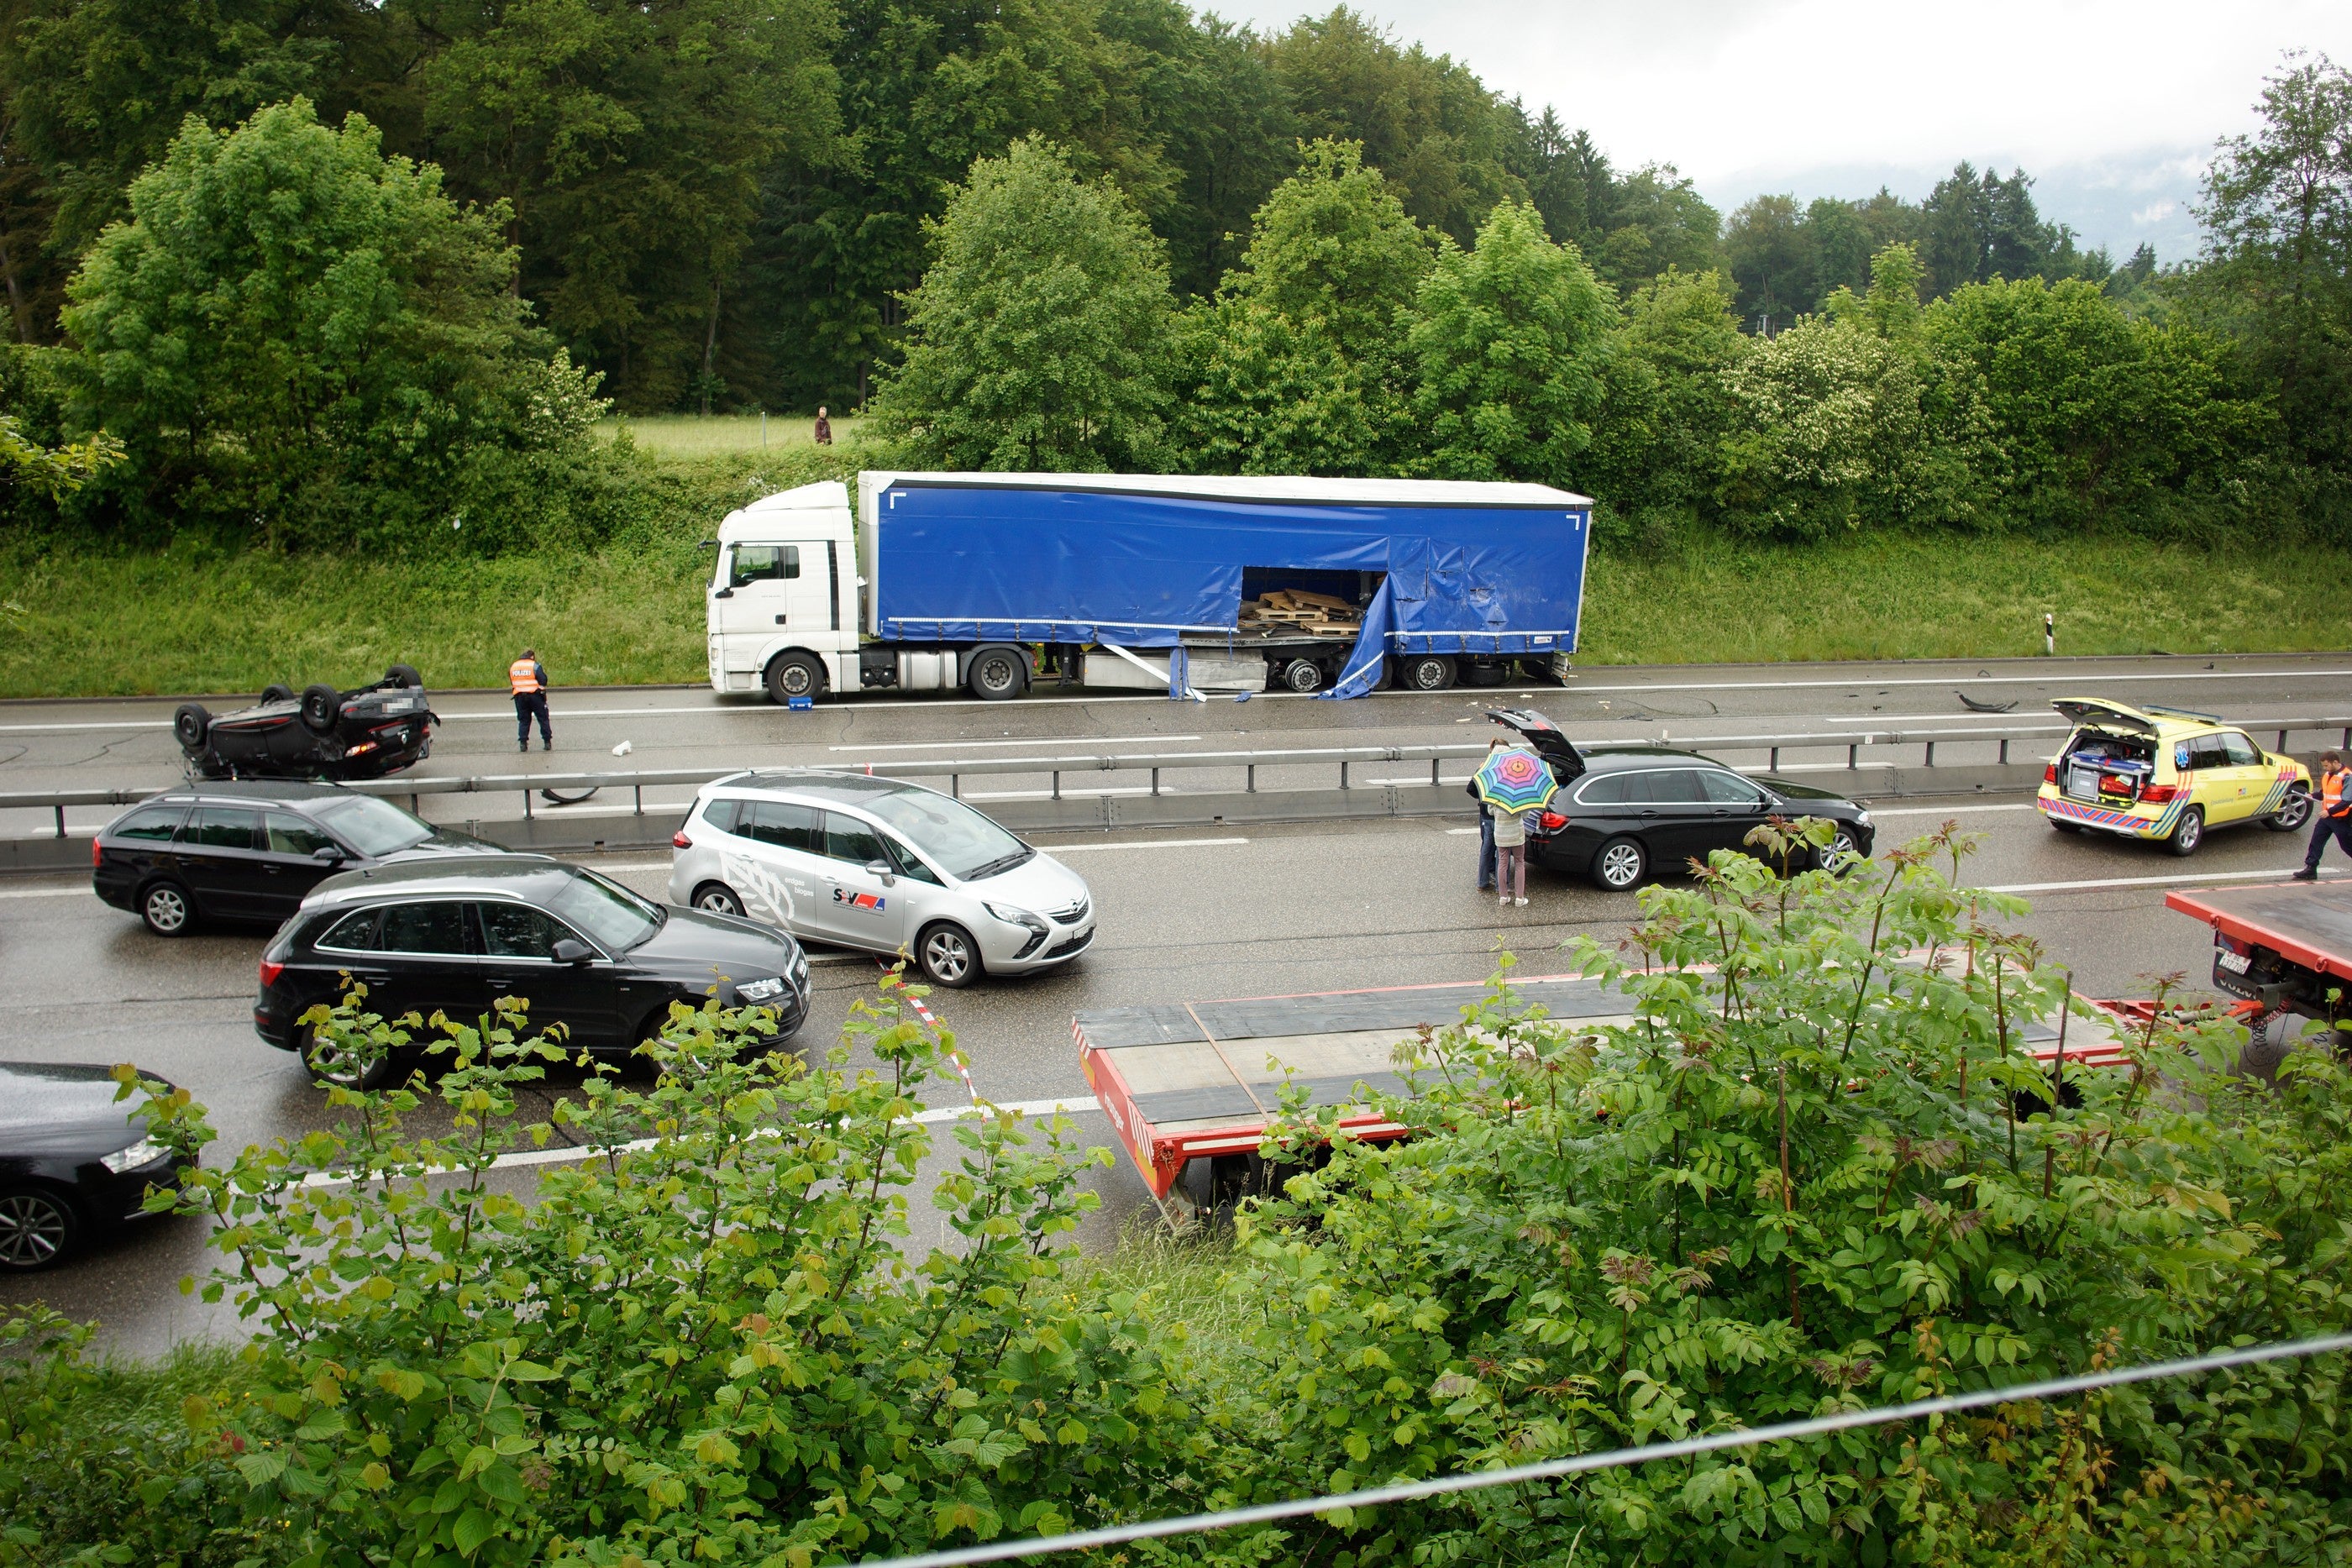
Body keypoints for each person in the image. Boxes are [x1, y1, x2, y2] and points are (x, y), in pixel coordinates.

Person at [2293, 750, 2351, 879]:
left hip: (2341, 818)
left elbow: (2347, 800)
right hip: (2327, 818)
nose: (2325, 768)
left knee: (2347, 846)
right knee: (2316, 841)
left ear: (2335, 762)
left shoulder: (2347, 776)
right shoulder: (2327, 775)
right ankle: (2311, 869)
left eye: (2326, 765)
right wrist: (2311, 796)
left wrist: (2329, 812)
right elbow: (2324, 794)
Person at [1465, 738, 1507, 889]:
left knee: (1487, 849)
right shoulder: (1507, 769)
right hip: (1500, 816)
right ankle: (1502, 885)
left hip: (1485, 816)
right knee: (1503, 851)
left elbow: (1470, 789)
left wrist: (1483, 800)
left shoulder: (1483, 768)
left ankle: (1482, 882)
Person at [1491, 795, 1531, 907]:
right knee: (1519, 862)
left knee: (1502, 863)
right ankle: (1519, 898)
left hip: (1500, 833)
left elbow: (1490, 811)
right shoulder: (1519, 795)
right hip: (1516, 834)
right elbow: (1526, 814)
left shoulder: (1496, 794)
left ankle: (1503, 897)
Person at [510, 648, 551, 753]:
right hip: (535, 696)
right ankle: (547, 742)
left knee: (524, 720)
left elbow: (512, 681)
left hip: (520, 697)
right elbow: (543, 680)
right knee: (543, 718)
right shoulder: (534, 666)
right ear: (532, 657)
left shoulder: (514, 666)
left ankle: (523, 744)